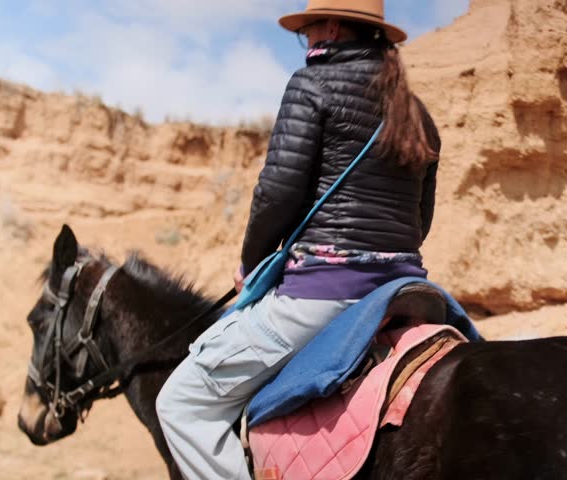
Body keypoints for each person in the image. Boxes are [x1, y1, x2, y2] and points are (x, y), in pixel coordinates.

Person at [155, 2, 440, 478]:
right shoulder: (418, 114)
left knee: (184, 402)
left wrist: (253, 265)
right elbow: (420, 220)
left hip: (324, 295)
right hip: (407, 292)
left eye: (306, 31)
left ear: (330, 27)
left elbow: (276, 193)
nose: (306, 41)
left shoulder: (312, 84)